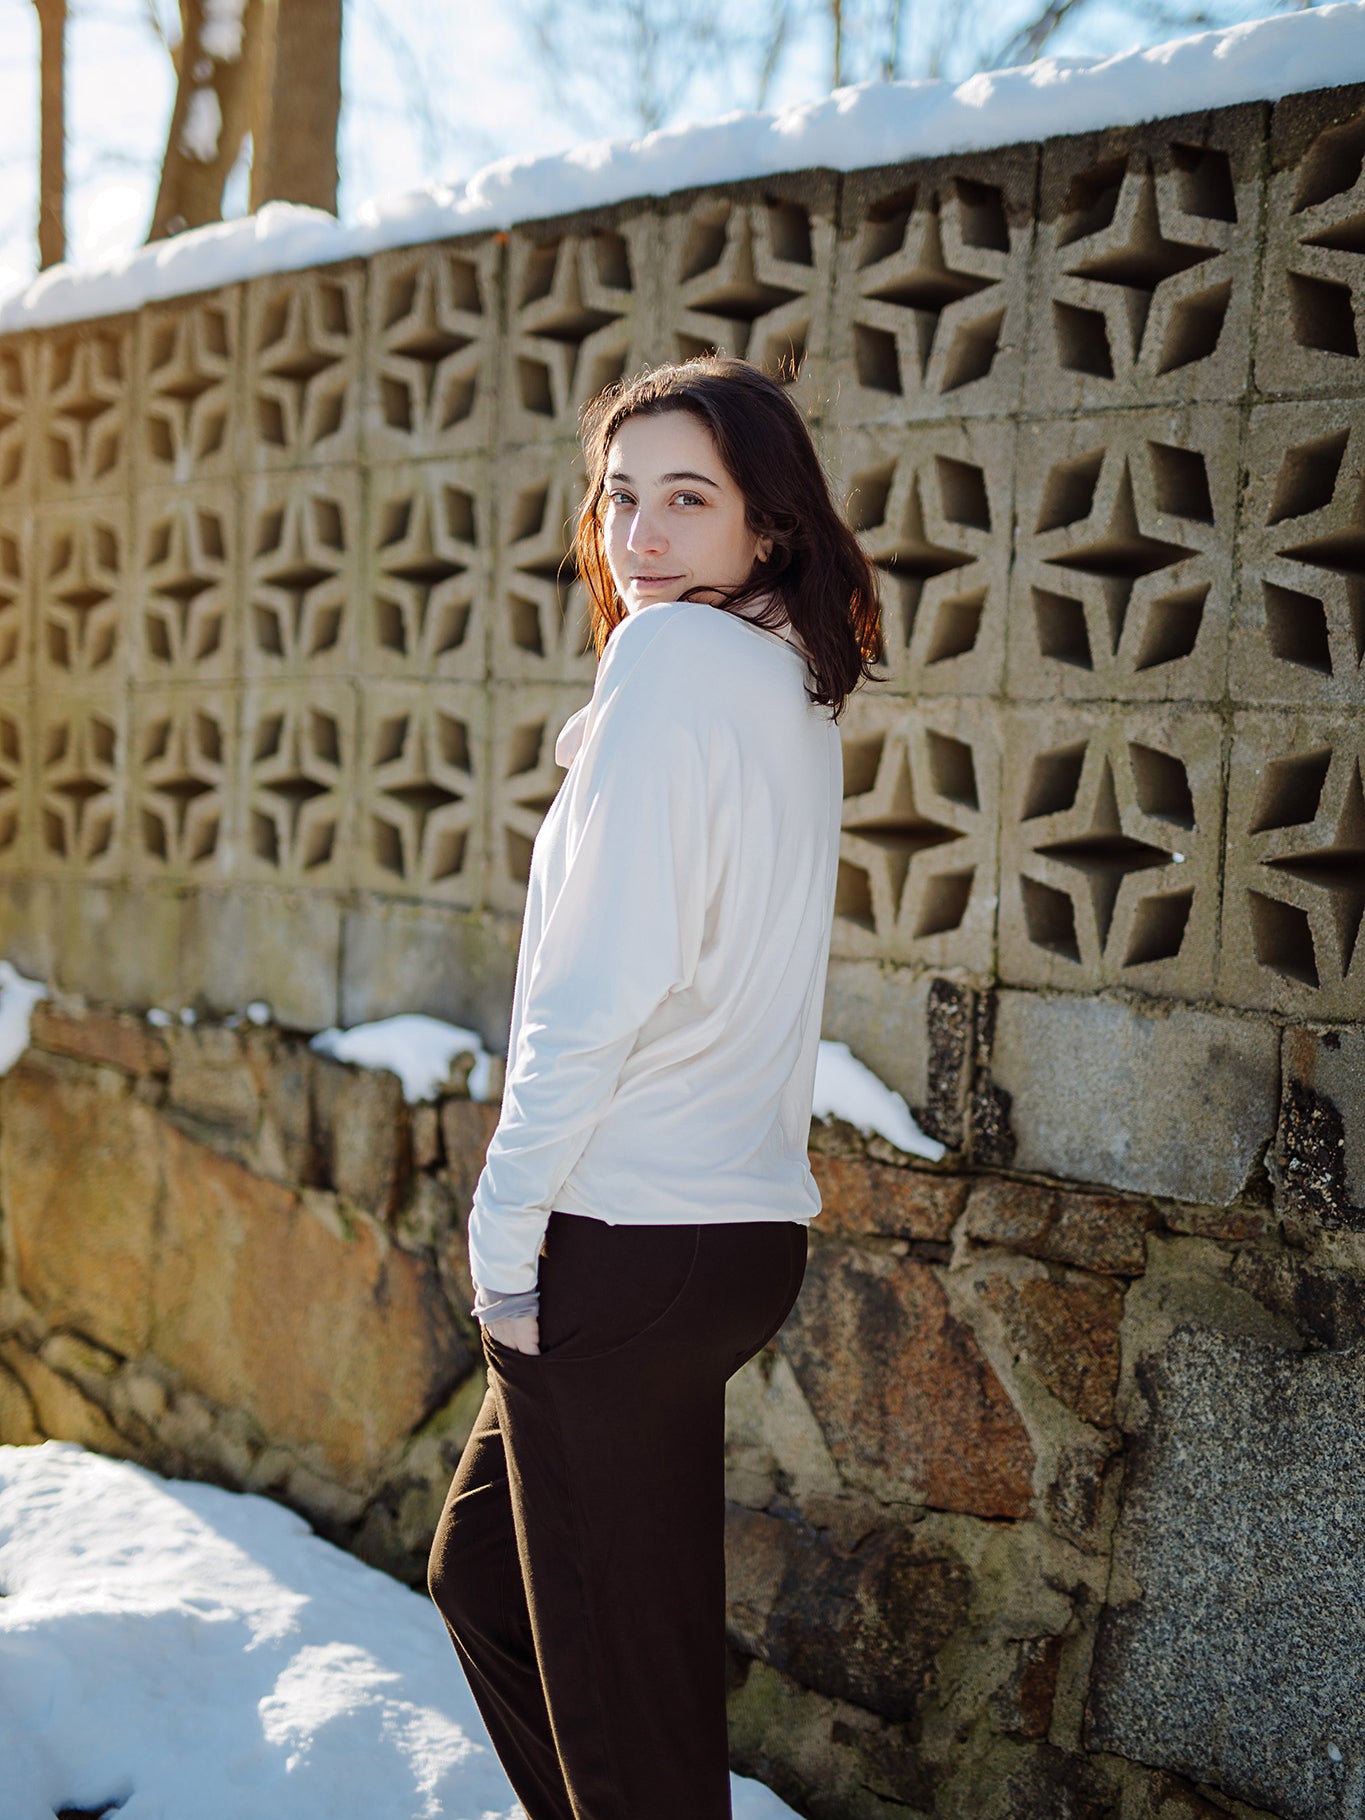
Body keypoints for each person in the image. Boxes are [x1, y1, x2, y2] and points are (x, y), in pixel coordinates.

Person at [427, 353, 882, 1820]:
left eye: (686, 500)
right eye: (621, 497)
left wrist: (503, 1239)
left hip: (618, 1244)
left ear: (768, 528)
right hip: (728, 1246)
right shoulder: (785, 686)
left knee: (636, 1730)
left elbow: (593, 995)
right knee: (489, 1587)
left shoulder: (675, 669)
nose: (638, 536)